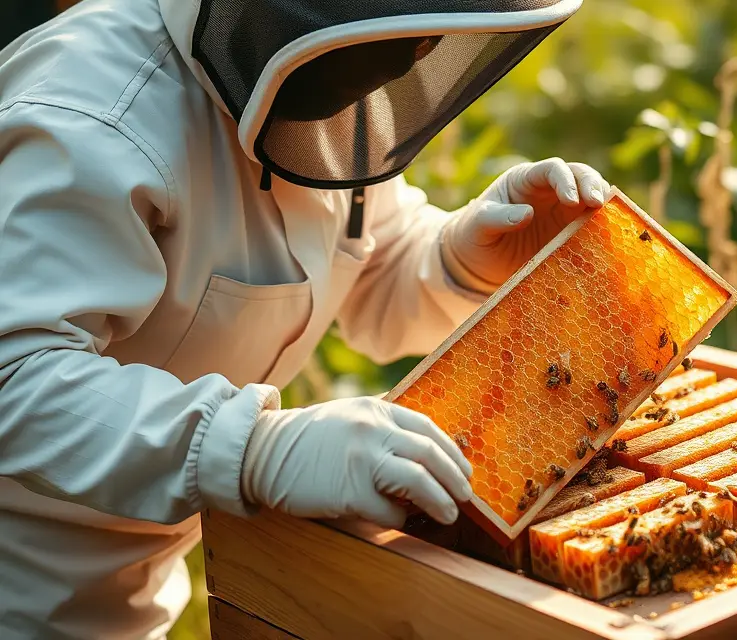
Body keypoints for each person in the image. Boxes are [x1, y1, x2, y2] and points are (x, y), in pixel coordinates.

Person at [0, 0, 605, 637]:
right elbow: (16, 378)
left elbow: (366, 262)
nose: (418, 52)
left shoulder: (322, 81)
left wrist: (459, 258)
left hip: (137, 586)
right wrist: (254, 447)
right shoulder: (91, 119)